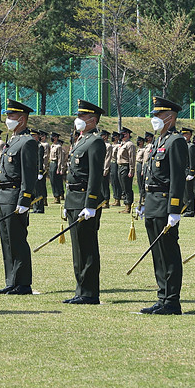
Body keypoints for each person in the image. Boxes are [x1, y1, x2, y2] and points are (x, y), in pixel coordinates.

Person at [140, 96, 188, 316]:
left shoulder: (175, 141)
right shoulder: (158, 142)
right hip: (152, 204)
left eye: (158, 115)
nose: (155, 118)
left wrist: (174, 209)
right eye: (154, 115)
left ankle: (172, 301)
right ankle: (162, 296)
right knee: (157, 254)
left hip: (164, 205)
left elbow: (177, 178)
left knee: (168, 253)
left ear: (170, 117)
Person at [63, 100, 107, 304]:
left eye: (82, 117)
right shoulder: (79, 141)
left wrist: (90, 204)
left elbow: (94, 176)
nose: (78, 120)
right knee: (77, 249)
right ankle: (80, 290)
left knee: (87, 248)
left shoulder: (95, 142)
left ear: (92, 120)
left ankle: (90, 293)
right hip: (73, 199)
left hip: (84, 202)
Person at [0, 99, 39, 295]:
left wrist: (25, 199)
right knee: (6, 241)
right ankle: (10, 281)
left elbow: (28, 174)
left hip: (15, 196)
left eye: (11, 116)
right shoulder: (11, 140)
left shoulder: (27, 142)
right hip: (4, 195)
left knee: (17, 241)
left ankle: (23, 283)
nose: (8, 119)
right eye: (7, 116)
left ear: (21, 119)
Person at [117, 128, 136, 214]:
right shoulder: (122, 144)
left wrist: (131, 170)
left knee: (127, 187)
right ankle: (126, 205)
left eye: (124, 134)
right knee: (123, 187)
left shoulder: (130, 144)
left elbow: (132, 158)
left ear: (128, 134)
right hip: (120, 166)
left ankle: (128, 206)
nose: (122, 135)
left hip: (126, 167)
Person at [181, 127, 195, 217]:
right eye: (183, 134)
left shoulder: (191, 146)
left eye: (186, 134)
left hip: (188, 171)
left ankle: (191, 210)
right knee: (184, 192)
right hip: (183, 171)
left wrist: (191, 172)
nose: (184, 136)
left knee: (189, 192)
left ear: (190, 135)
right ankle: (185, 208)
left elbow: (192, 160)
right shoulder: (183, 145)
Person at [48, 132, 67, 205]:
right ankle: (55, 195)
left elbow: (60, 158)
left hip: (56, 164)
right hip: (51, 163)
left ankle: (57, 197)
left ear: (56, 138)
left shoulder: (58, 146)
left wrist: (59, 168)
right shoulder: (52, 146)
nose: (52, 138)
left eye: (53, 137)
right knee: (52, 181)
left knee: (56, 181)